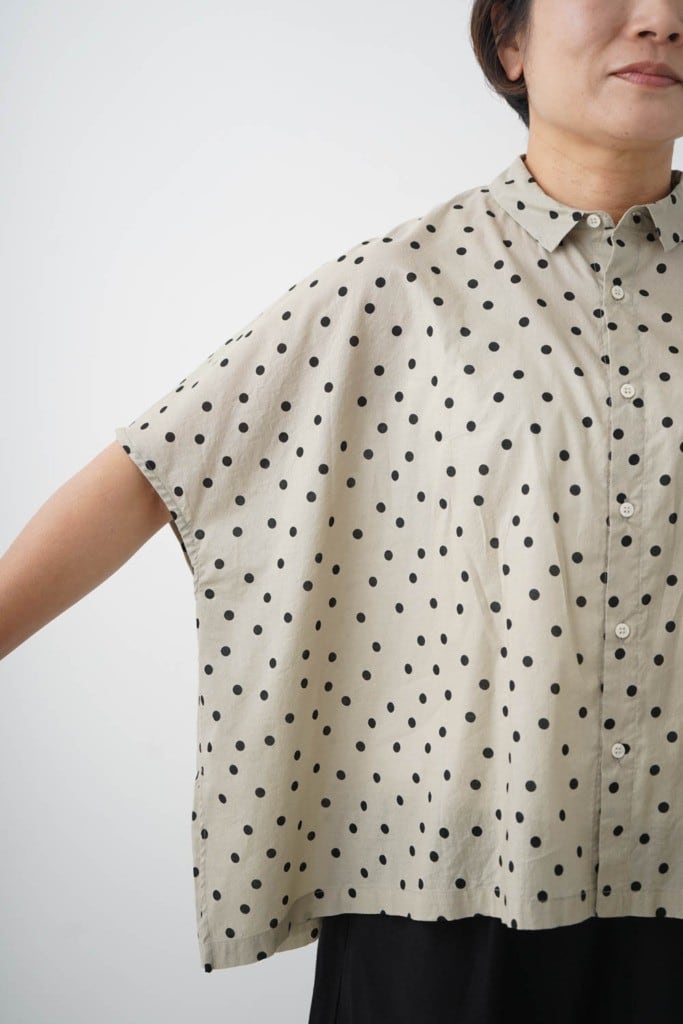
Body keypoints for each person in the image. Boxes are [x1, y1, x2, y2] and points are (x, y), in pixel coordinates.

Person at [3, 0, 683, 1021]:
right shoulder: (398, 287)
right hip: (449, 892)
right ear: (508, 41)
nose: (661, 18)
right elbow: (162, 465)